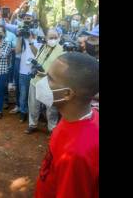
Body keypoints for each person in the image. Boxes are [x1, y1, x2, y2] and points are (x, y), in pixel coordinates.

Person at [35, 52, 99, 198]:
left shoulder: (75, 156)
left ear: (67, 94)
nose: (43, 81)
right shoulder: (77, 116)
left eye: (49, 78)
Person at [25, 29, 65, 135]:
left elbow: (62, 68)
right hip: (36, 80)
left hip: (50, 82)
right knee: (33, 105)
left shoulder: (61, 50)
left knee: (51, 107)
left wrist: (47, 74)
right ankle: (32, 124)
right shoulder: (42, 46)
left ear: (59, 37)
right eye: (50, 37)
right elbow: (37, 59)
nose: (53, 40)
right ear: (46, 38)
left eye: (55, 37)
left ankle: (52, 128)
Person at [10, 12, 43, 122]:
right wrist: (20, 36)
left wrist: (30, 40)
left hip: (36, 72)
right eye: (26, 19)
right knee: (23, 94)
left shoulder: (39, 36)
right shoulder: (22, 34)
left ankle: (34, 115)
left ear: (34, 21)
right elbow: (18, 51)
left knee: (35, 96)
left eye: (30, 18)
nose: (28, 21)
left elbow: (37, 54)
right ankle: (23, 112)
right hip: (23, 71)